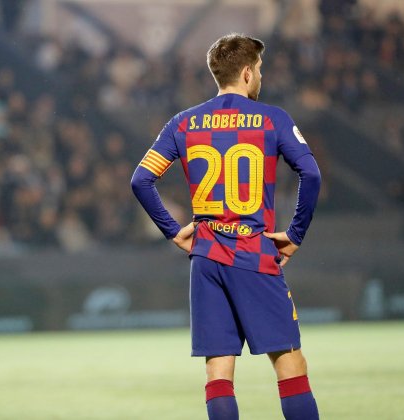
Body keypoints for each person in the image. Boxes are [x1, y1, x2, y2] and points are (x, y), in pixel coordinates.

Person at [131, 34, 322, 420]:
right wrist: (295, 234)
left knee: (218, 372)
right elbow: (311, 174)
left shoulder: (183, 122)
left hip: (206, 258)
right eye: (260, 70)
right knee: (290, 364)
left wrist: (173, 231)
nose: (261, 77)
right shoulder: (272, 119)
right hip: (253, 253)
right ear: (248, 73)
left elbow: (141, 180)